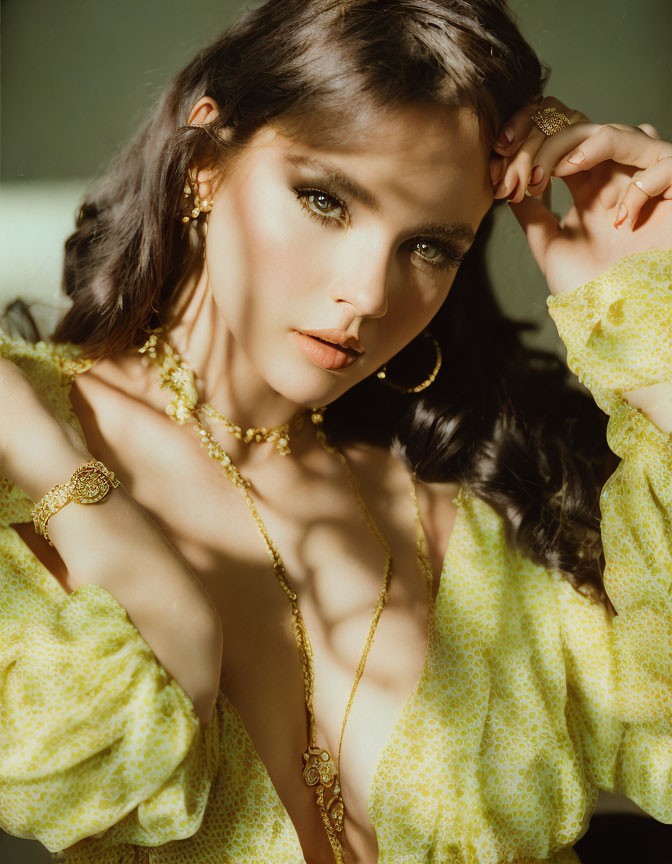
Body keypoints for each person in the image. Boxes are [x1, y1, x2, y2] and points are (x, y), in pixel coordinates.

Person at [0, 0, 670, 862]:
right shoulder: (29, 437)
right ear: (203, 162)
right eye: (325, 200)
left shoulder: (475, 497)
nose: (369, 294)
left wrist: (652, 355)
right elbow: (62, 765)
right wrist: (73, 487)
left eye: (430, 246)